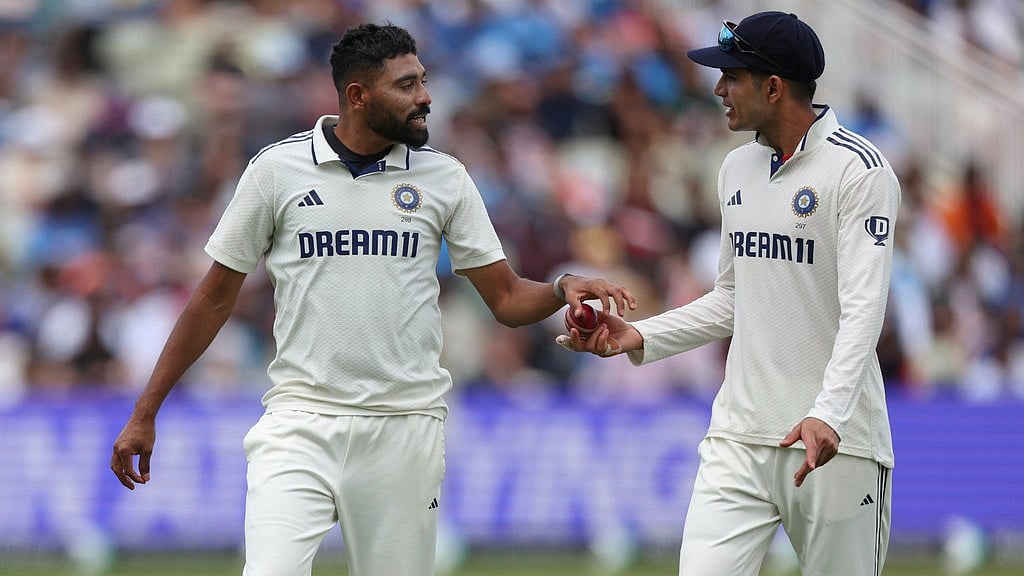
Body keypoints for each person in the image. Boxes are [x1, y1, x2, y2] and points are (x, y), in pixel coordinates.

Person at [110, 22, 635, 576]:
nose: (426, 97)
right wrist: (145, 412)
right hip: (301, 421)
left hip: (404, 426)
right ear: (358, 97)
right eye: (406, 85)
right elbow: (212, 300)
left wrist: (560, 288)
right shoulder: (276, 170)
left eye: (423, 81)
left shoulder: (444, 178)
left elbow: (504, 298)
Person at [558, 11, 900, 576]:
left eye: (732, 77)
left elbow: (865, 310)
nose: (718, 89)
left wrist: (829, 415)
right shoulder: (737, 167)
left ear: (773, 87)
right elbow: (733, 298)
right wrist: (639, 334)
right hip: (738, 435)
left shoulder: (859, 172)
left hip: (836, 441)